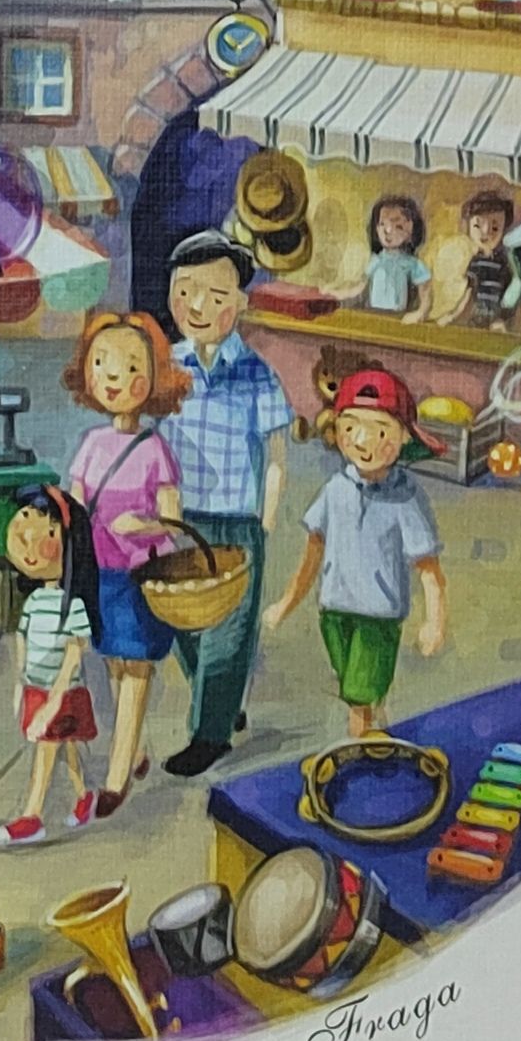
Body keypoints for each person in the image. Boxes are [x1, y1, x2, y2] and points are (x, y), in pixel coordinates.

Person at [160, 230, 295, 778]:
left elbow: (277, 454)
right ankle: (222, 700)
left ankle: (209, 735)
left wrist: (265, 519)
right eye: (185, 291)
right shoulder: (165, 365)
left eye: (215, 296)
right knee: (180, 622)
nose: (197, 305)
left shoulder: (256, 373)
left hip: (238, 520)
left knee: (229, 634)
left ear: (239, 303)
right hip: (179, 516)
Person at [265, 369, 449, 737]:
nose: (364, 441)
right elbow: (313, 552)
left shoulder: (406, 497)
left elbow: (428, 567)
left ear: (404, 436)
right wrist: (286, 602)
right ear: (336, 431)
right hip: (333, 611)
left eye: (380, 431)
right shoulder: (335, 489)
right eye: (351, 427)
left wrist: (434, 620)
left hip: (378, 616)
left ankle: (360, 743)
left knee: (359, 695)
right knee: (356, 689)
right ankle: (375, 729)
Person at [62, 310, 192, 818]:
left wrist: (145, 525)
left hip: (141, 574)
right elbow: (74, 507)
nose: (114, 377)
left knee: (136, 668)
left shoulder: (155, 448)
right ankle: (133, 751)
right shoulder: (92, 445)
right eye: (102, 364)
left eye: (131, 366)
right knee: (114, 664)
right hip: (100, 573)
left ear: (155, 376)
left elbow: (173, 520)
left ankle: (116, 779)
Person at [0, 486, 101, 849]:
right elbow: (22, 640)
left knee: (47, 747)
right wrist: (19, 684)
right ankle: (84, 795)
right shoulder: (36, 600)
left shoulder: (75, 606)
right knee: (68, 748)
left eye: (48, 532)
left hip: (63, 693)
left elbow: (74, 655)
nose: (30, 546)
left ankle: (32, 816)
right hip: (37, 687)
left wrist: (53, 703)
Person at [447, 192, 516, 330]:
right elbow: (469, 291)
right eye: (478, 226)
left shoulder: (505, 263)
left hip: (499, 321)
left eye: (495, 228)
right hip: (476, 318)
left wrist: (502, 319)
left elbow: (510, 295)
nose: (486, 232)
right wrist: (454, 315)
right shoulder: (475, 262)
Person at [356, 194, 433, 319]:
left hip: (398, 318)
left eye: (398, 226)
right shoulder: (375, 261)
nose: (388, 231)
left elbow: (425, 293)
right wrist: (335, 294)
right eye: (382, 224)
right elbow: (359, 287)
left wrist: (420, 313)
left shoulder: (412, 264)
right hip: (374, 315)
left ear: (411, 231)